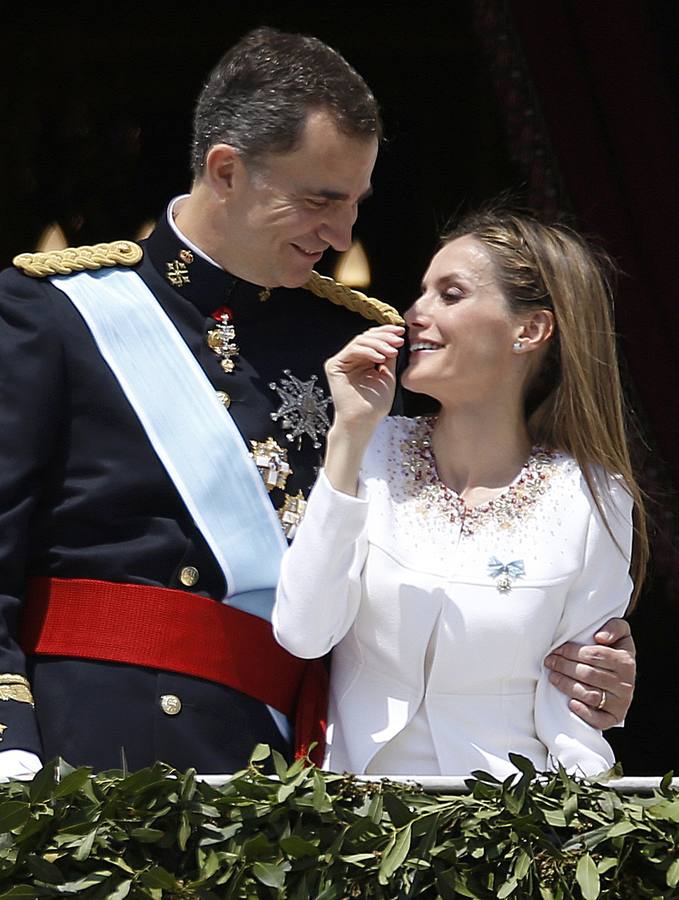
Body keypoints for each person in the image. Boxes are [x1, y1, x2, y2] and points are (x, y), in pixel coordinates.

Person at [0, 28, 633, 779]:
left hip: (297, 765)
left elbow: (464, 536)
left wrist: (580, 661)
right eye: (319, 200)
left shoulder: (368, 344)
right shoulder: (55, 314)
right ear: (227, 171)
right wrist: (10, 740)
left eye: (356, 203)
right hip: (97, 745)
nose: (341, 234)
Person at [273, 209, 647, 777]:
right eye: (422, 293)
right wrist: (348, 433)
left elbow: (575, 710)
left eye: (450, 294)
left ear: (530, 330)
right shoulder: (371, 453)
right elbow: (302, 632)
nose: (416, 313)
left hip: (508, 831)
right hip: (352, 824)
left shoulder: (593, 499)